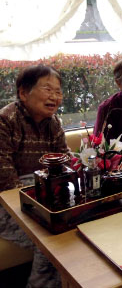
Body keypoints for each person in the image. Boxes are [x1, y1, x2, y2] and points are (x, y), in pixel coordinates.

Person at [0, 65, 68, 287]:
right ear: (23, 93)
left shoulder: (54, 123)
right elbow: (5, 178)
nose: (55, 97)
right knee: (52, 235)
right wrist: (41, 205)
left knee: (71, 223)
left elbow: (64, 161)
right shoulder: (5, 121)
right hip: (6, 203)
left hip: (40, 194)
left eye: (58, 91)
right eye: (48, 89)